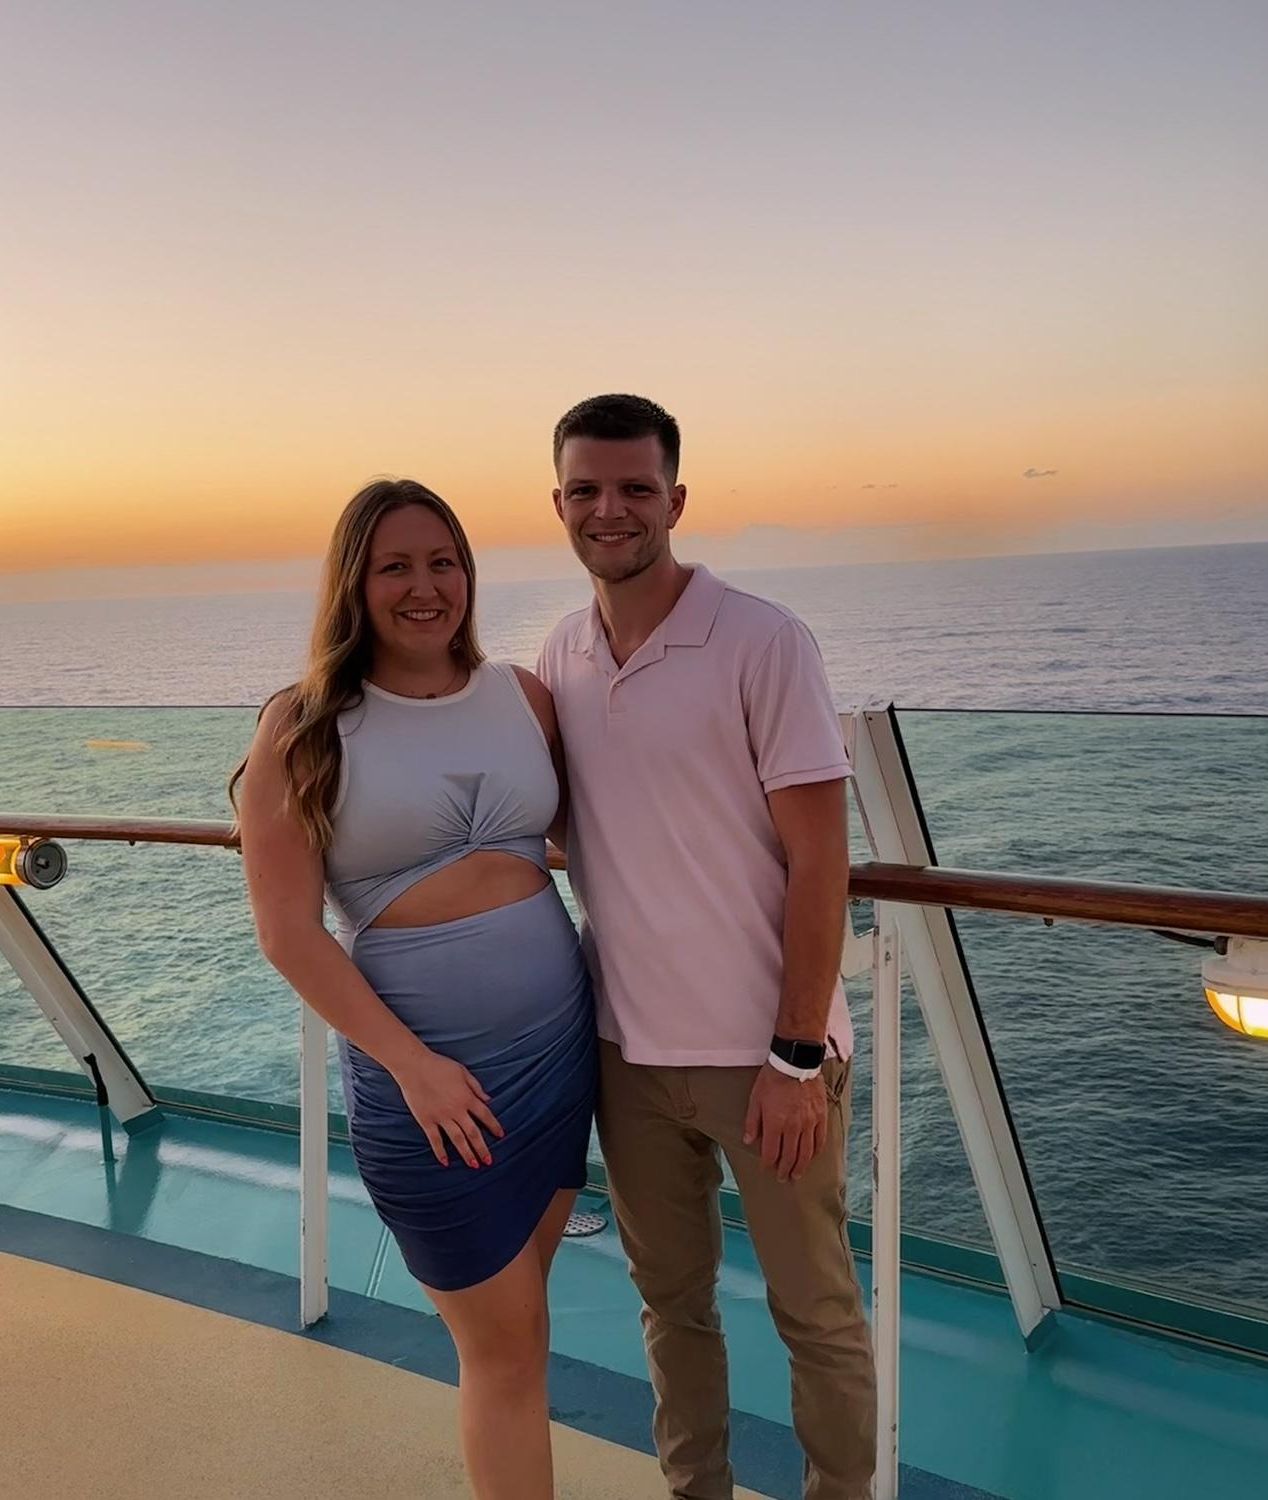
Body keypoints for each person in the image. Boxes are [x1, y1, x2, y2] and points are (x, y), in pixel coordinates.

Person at [536, 395, 875, 1500]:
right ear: (558, 504)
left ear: (676, 500)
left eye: (635, 488)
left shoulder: (763, 641)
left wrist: (795, 1057)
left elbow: (821, 861)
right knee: (670, 1306)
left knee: (814, 1311)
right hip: (626, 1055)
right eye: (586, 490)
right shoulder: (562, 652)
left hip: (763, 1058)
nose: (611, 510)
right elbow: (567, 822)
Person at [232, 478, 596, 1500]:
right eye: (394, 566)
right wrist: (414, 1067)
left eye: (443, 562)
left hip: (557, 1062)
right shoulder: (305, 726)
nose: (424, 586)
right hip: (429, 1088)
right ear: (354, 583)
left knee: (523, 1326)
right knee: (506, 1349)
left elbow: (603, 836)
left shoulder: (522, 696)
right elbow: (287, 933)